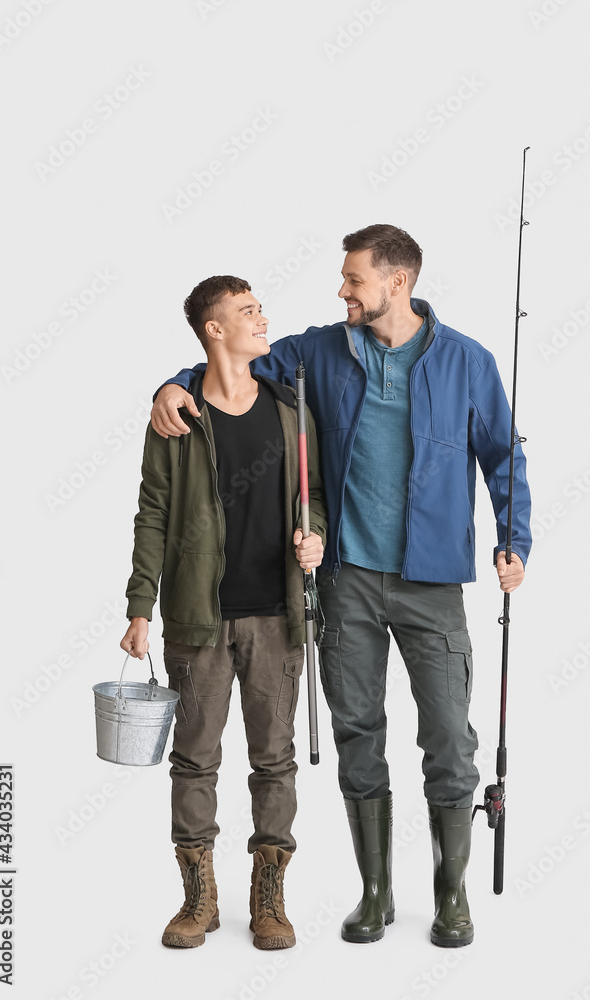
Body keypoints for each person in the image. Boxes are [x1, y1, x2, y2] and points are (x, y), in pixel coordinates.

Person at [150, 225, 531, 948]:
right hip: (345, 578)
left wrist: (514, 541)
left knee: (449, 738)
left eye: (353, 279)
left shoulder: (468, 362)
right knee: (358, 735)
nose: (341, 291)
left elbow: (502, 458)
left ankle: (451, 896)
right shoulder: (316, 351)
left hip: (433, 582)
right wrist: (171, 383)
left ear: (397, 283)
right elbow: (231, 364)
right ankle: (375, 893)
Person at [121, 275, 326, 951]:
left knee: (274, 762)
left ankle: (269, 898)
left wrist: (313, 536)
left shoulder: (290, 411)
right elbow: (152, 514)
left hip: (277, 615)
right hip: (195, 619)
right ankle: (198, 898)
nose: (261, 318)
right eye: (247, 312)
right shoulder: (177, 417)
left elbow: (314, 495)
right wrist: (140, 607)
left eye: (259, 308)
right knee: (193, 762)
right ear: (214, 330)